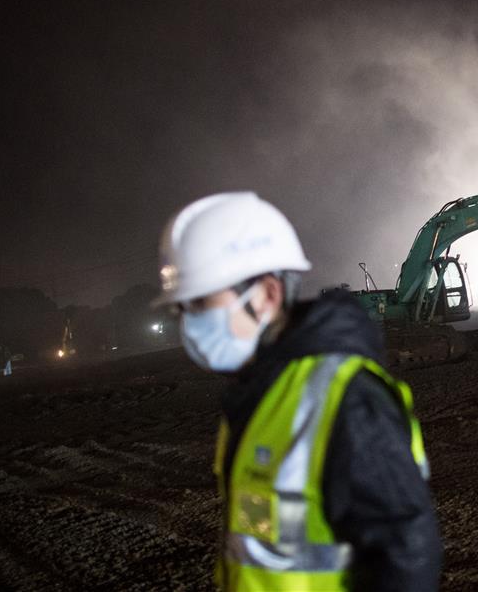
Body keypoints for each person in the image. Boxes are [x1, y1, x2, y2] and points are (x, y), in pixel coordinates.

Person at [153, 192, 442, 591]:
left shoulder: (345, 399)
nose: (189, 323)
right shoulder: (260, 394)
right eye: (181, 308)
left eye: (201, 302)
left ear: (267, 295)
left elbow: (406, 558)